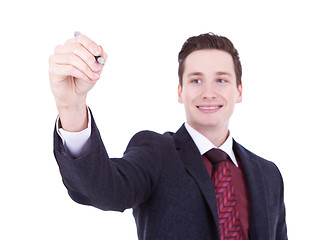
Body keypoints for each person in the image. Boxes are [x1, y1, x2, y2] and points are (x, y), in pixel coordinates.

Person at [49, 32, 287, 240]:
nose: (208, 92)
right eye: (196, 80)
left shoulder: (268, 174)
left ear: (239, 91)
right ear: (180, 92)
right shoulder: (156, 153)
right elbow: (104, 189)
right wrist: (72, 106)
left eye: (221, 80)